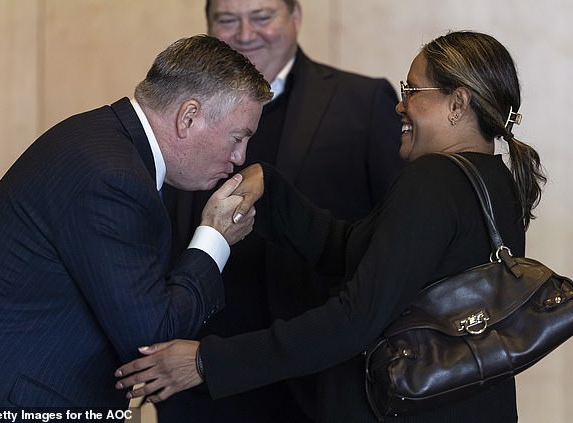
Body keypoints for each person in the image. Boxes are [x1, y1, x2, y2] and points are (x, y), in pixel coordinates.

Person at [116, 31, 546, 422]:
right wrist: (270, 185)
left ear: (458, 104)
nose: (400, 104)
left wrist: (207, 362)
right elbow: (353, 251)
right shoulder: (496, 180)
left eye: (413, 90)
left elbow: (353, 320)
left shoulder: (435, 179)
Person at [0, 35, 271, 409]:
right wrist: (215, 238)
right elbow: (152, 341)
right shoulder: (114, 177)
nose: (240, 157)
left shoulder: (106, 142)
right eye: (238, 137)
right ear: (188, 117)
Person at [162, 0, 403, 421]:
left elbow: (394, 236)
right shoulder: (181, 108)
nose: (244, 33)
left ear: (295, 17)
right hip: (202, 381)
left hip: (322, 378)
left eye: (261, 17)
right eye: (227, 19)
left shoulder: (362, 102)